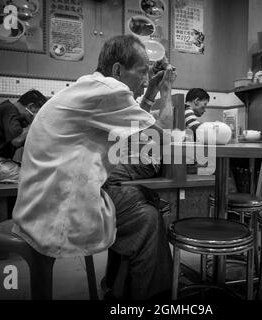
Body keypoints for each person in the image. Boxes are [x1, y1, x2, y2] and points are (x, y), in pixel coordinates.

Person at [12, 35, 176, 300]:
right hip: (59, 206)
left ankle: (115, 286)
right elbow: (161, 131)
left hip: (41, 198)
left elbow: (136, 128)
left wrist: (151, 93)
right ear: (117, 70)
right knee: (147, 216)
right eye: (142, 72)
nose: (146, 80)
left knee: (144, 199)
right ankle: (152, 299)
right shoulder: (109, 89)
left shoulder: (94, 88)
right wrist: (167, 89)